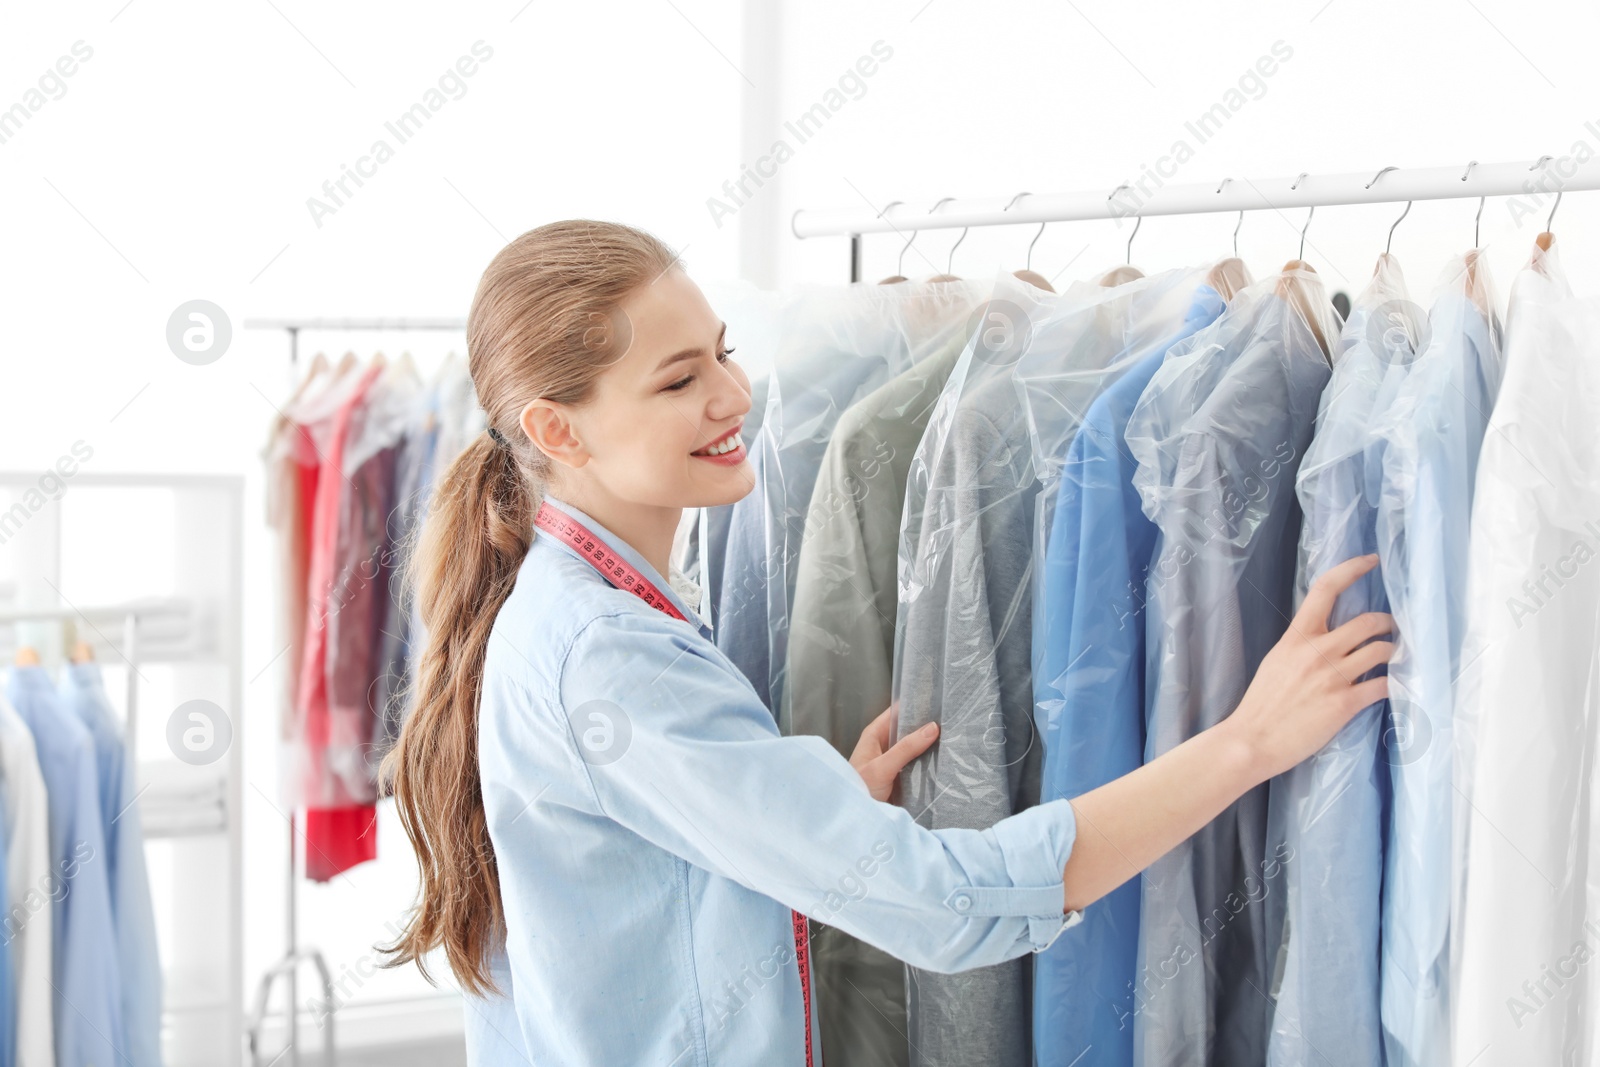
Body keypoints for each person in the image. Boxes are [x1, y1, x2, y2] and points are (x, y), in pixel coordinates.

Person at [376, 220, 1394, 1066]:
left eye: (724, 351)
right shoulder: (605, 652)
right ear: (556, 431)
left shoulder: (582, 603)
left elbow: (642, 899)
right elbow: (948, 905)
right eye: (679, 379)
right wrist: (1250, 739)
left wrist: (808, 810)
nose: (735, 397)